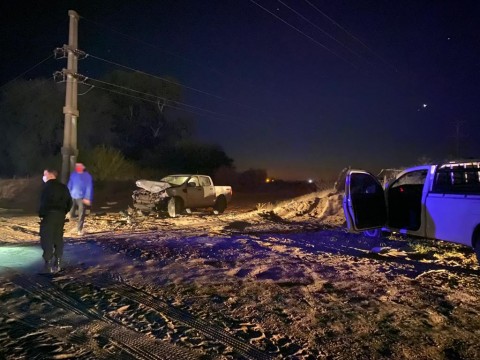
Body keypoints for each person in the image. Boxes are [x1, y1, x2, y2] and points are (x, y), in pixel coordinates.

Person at [39, 168, 72, 273]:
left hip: (49, 215)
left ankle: (47, 262)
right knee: (58, 237)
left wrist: (41, 214)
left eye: (45, 174)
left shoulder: (46, 188)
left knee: (47, 238)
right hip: (60, 215)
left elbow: (42, 203)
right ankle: (58, 261)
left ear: (49, 175)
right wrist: (64, 212)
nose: (43, 176)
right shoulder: (63, 187)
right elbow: (69, 202)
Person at [67, 163, 93, 235]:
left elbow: (69, 185)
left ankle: (78, 229)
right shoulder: (86, 176)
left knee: (77, 213)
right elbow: (89, 188)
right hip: (80, 197)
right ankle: (79, 230)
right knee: (81, 214)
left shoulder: (74, 175)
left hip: (75, 196)